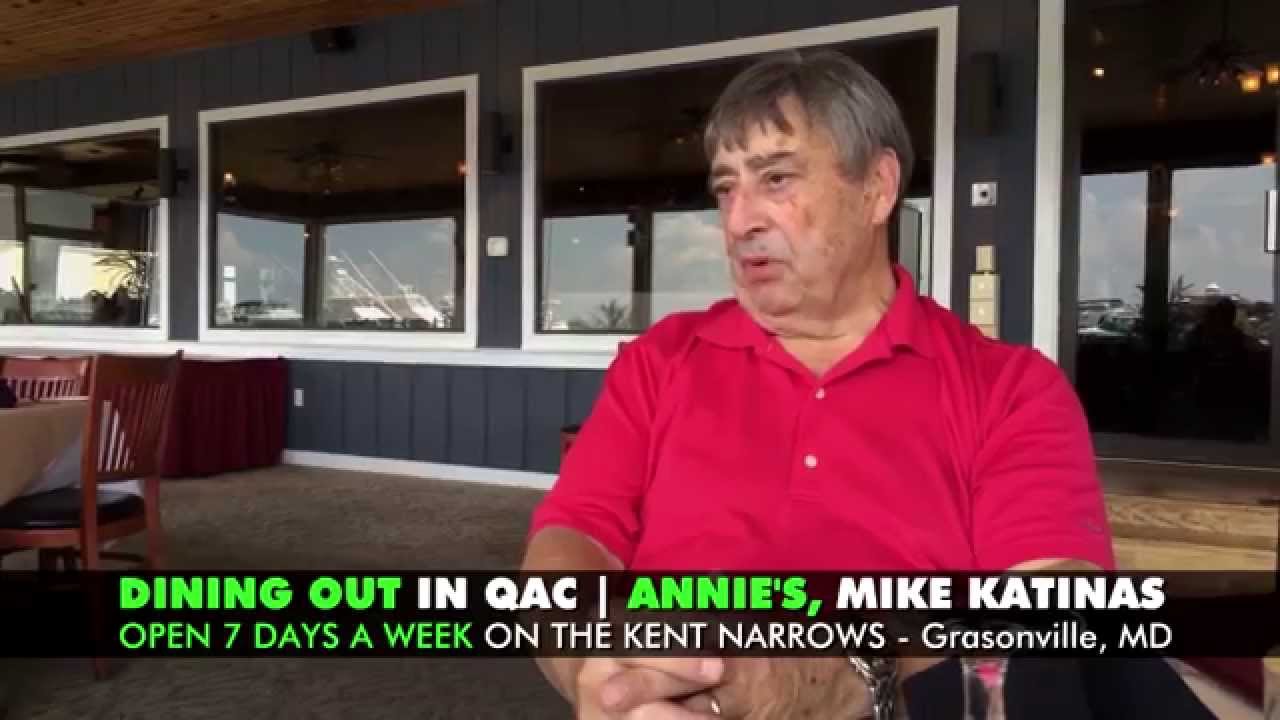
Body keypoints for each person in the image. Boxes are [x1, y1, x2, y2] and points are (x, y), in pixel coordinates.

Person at [521, 50, 1127, 718]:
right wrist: (601, 676)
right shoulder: (660, 360)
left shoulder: (1010, 388)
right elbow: (572, 540)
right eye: (725, 189)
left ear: (877, 189)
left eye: (776, 178)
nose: (738, 222)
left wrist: (849, 673)